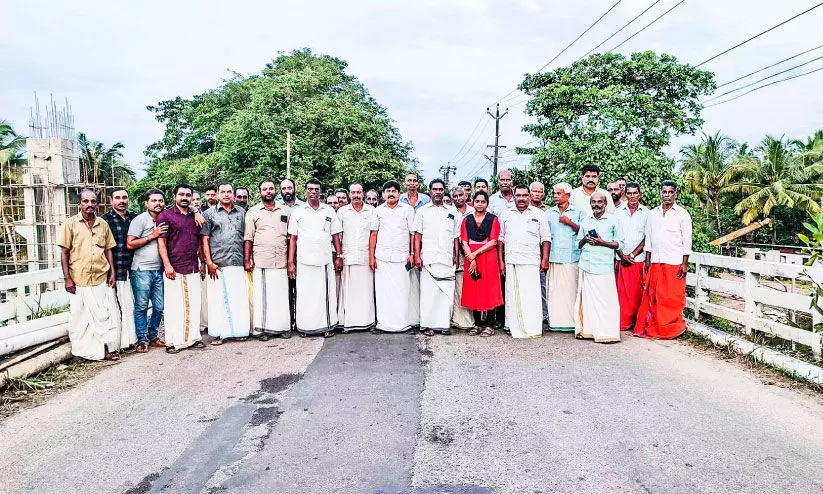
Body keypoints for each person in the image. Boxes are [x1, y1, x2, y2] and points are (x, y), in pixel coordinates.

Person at [59, 189, 120, 361]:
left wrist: (112, 273)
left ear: (97, 204)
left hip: (100, 277)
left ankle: (103, 351)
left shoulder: (103, 224)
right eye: (85, 201)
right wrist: (67, 279)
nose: (89, 204)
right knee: (79, 319)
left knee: (102, 317)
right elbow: (64, 253)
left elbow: (108, 250)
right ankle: (81, 353)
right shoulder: (70, 224)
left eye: (93, 201)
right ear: (79, 204)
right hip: (79, 279)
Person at [634, 180, 692, 340]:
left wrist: (684, 263)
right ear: (660, 193)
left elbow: (687, 240)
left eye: (670, 192)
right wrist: (647, 260)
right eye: (664, 192)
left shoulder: (682, 214)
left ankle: (670, 328)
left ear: (675, 194)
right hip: (655, 261)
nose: (667, 195)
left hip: (674, 262)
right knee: (653, 296)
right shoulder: (653, 213)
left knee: (671, 297)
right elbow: (649, 238)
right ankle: (653, 327)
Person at [288, 179, 343, 337]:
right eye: (310, 189)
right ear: (305, 191)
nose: (313, 192)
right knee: (305, 296)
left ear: (320, 192)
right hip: (304, 261)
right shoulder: (298, 212)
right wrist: (291, 262)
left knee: (325, 295)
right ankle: (305, 327)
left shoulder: (328, 211)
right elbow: (293, 239)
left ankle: (327, 327)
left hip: (324, 260)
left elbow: (335, 235)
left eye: (316, 189)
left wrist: (339, 256)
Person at [157, 184, 207, 354]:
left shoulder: (195, 216)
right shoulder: (166, 215)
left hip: (192, 266)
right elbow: (161, 242)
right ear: (174, 197)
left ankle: (194, 338)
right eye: (181, 194)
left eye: (188, 195)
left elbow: (199, 241)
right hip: (174, 268)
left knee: (194, 304)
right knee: (174, 306)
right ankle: (173, 341)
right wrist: (167, 265)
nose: (185, 197)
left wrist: (202, 262)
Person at [498, 185, 550, 338]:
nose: (521, 199)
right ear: (514, 197)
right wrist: (501, 261)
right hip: (512, 260)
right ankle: (511, 325)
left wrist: (545, 259)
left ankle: (533, 327)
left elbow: (546, 238)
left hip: (532, 261)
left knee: (532, 295)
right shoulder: (505, 214)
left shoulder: (539, 214)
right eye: (518, 195)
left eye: (524, 195)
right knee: (512, 295)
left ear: (529, 196)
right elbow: (500, 239)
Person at [201, 183, 250, 345]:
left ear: (233, 195)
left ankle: (239, 331)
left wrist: (248, 259)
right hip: (218, 264)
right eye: (223, 192)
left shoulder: (242, 212)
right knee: (218, 300)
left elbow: (247, 237)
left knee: (238, 299)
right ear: (217, 195)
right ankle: (218, 333)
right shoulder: (209, 214)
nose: (226, 194)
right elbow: (204, 239)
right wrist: (208, 262)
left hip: (238, 262)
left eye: (229, 192)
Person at [244, 180, 292, 340]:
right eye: (265, 189)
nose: (268, 191)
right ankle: (263, 329)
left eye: (271, 188)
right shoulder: (253, 212)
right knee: (263, 297)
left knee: (281, 296)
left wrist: (291, 261)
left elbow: (291, 238)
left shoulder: (286, 211)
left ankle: (282, 328)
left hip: (281, 260)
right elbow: (248, 238)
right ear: (260, 192)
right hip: (261, 260)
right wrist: (247, 260)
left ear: (275, 190)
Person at [413, 179, 461, 336]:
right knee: (428, 294)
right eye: (435, 189)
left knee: (445, 293)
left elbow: (456, 236)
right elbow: (417, 236)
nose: (438, 192)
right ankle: (427, 325)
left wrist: (456, 255)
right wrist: (417, 256)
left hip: (447, 258)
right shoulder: (422, 211)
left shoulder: (452, 211)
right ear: (430, 192)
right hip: (428, 259)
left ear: (444, 191)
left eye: (441, 189)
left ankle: (444, 324)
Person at [575, 192, 624, 343]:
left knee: (606, 302)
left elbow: (620, 244)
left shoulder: (614, 221)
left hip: (604, 267)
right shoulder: (585, 221)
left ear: (605, 204)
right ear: (590, 204)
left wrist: (602, 242)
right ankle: (589, 331)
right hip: (587, 266)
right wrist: (585, 239)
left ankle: (607, 333)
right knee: (588, 302)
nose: (596, 205)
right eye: (594, 202)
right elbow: (578, 244)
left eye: (600, 202)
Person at [369, 180, 415, 333]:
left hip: (402, 258)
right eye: (388, 191)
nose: (391, 194)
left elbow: (412, 234)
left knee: (402, 292)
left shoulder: (407, 210)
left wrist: (412, 254)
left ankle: (403, 325)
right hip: (382, 258)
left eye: (394, 191)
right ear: (383, 195)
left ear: (399, 194)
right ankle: (383, 325)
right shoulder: (378, 211)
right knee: (383, 293)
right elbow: (373, 234)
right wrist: (371, 257)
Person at [126, 189, 168, 353]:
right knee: (142, 306)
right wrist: (152, 235)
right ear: (146, 203)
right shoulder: (140, 220)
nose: (158, 203)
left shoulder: (165, 218)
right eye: (154, 200)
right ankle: (142, 339)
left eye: (161, 200)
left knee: (159, 306)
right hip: (142, 270)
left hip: (159, 270)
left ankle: (153, 336)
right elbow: (130, 244)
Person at [459, 191, 502, 336]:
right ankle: (477, 324)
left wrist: (474, 255)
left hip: (488, 257)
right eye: (477, 201)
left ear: (487, 204)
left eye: (483, 202)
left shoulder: (493, 219)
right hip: (470, 256)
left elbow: (493, 241)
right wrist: (471, 259)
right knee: (474, 289)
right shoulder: (467, 220)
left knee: (489, 289)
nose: (480, 204)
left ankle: (489, 325)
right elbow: (464, 241)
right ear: (473, 203)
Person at [101, 187, 138, 351]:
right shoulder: (104, 220)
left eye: (124, 197)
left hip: (134, 269)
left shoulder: (135, 218)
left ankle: (132, 339)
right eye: (117, 198)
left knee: (132, 305)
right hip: (115, 270)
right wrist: (110, 271)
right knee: (116, 307)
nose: (121, 201)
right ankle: (117, 343)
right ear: (111, 200)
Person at [337, 182, 376, 332]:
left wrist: (373, 257)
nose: (356, 195)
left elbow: (374, 235)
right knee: (349, 292)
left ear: (363, 194)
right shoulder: (342, 212)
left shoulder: (371, 211)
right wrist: (338, 255)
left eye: (358, 192)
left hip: (365, 258)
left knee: (366, 292)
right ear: (349, 194)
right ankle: (348, 323)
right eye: (353, 193)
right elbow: (338, 236)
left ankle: (367, 322)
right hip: (348, 257)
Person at [545, 183, 583, 332]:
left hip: (572, 257)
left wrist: (570, 222)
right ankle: (555, 323)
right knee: (555, 292)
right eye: (554, 193)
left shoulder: (578, 212)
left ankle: (572, 323)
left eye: (559, 193)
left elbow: (584, 232)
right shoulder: (549, 213)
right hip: (554, 257)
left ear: (568, 195)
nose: (555, 196)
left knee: (571, 291)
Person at [615, 182, 649, 332]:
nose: (632, 196)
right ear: (625, 194)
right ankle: (623, 323)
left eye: (635, 193)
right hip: (620, 259)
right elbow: (613, 235)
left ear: (640, 194)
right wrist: (621, 255)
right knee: (622, 295)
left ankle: (637, 323)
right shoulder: (617, 212)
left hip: (637, 260)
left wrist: (633, 254)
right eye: (629, 193)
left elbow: (648, 238)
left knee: (636, 294)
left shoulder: (647, 213)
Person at [450, 187, 475, 330]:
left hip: (472, 252)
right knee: (456, 286)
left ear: (466, 196)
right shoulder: (449, 212)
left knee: (469, 285)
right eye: (455, 196)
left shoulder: (473, 211)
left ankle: (470, 320)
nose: (458, 198)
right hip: (455, 253)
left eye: (461, 195)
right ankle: (455, 319)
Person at [529, 181, 549, 326]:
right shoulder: (524, 208)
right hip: (527, 254)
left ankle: (544, 315)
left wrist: (545, 258)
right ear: (530, 193)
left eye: (540, 191)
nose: (537, 194)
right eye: (535, 191)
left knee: (542, 286)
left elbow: (547, 236)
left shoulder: (548, 211)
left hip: (542, 254)